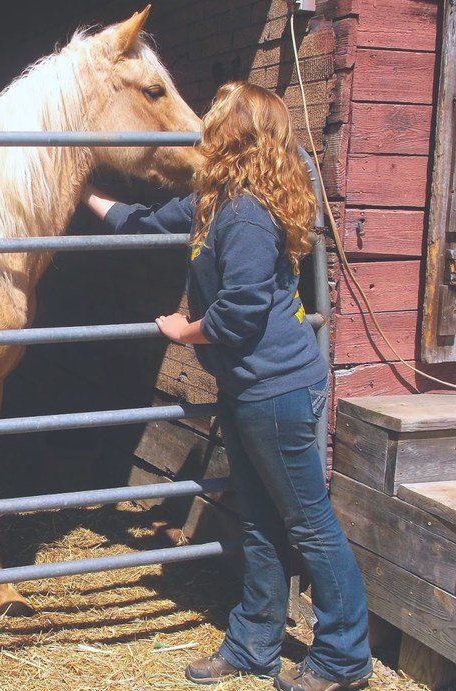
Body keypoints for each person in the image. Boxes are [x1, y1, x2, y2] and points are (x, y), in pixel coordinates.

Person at [82, 82, 373, 691]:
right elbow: (143, 221)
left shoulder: (244, 214)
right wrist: (84, 192)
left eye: (213, 121)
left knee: (308, 523)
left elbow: (239, 309)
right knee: (262, 521)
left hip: (277, 389)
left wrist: (181, 330)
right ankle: (253, 645)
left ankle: (344, 658)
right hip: (251, 388)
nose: (203, 129)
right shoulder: (219, 199)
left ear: (233, 134)